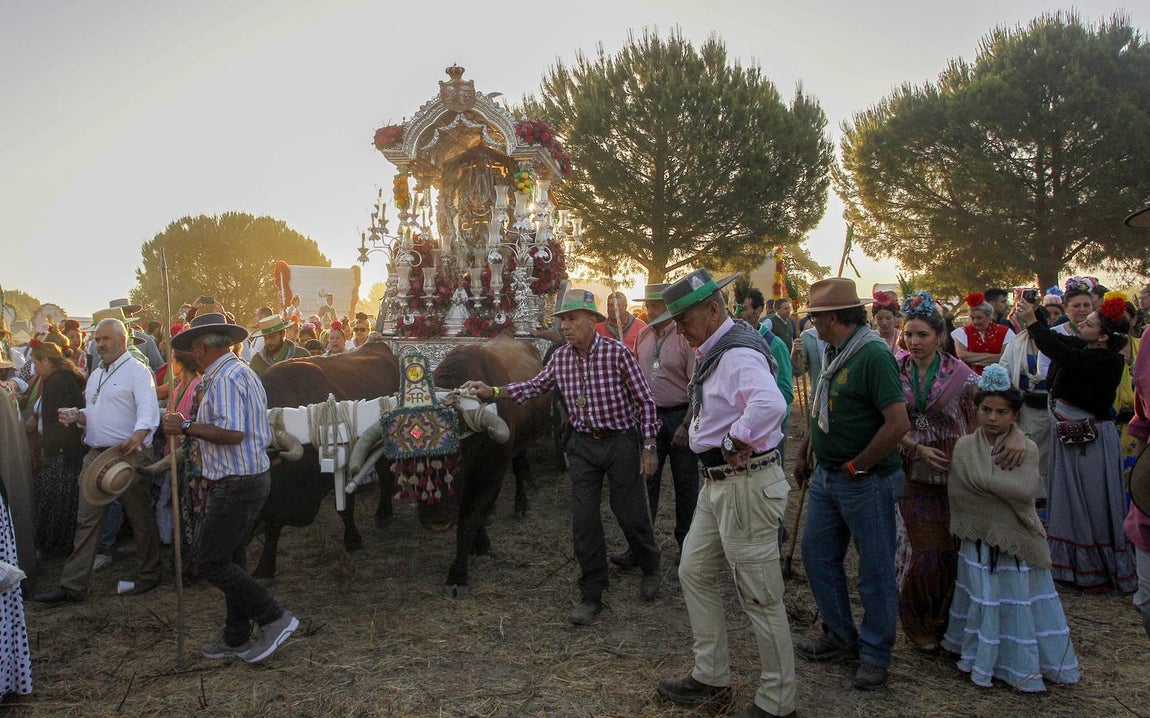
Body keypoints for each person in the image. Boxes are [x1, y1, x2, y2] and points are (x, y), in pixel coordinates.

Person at [460, 288, 661, 626]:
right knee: (584, 520)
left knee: (628, 511)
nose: (565, 326)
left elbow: (645, 401)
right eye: (562, 320)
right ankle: (592, 591)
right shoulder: (560, 358)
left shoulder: (617, 354)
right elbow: (535, 387)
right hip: (582, 446)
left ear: (592, 321)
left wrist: (649, 446)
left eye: (572, 319)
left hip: (620, 443)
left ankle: (650, 564)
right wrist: (492, 391)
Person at [653, 270, 796, 718]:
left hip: (745, 482)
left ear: (712, 310)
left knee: (759, 595)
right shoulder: (721, 348)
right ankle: (711, 675)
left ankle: (777, 702)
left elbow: (771, 404)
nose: (679, 329)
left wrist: (736, 438)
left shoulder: (734, 354)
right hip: (720, 485)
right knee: (694, 570)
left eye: (684, 320)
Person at [793, 277, 909, 691]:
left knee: (874, 569)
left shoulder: (873, 355)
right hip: (828, 474)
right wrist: (808, 446)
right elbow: (826, 404)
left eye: (817, 317)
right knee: (817, 555)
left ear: (835, 317)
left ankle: (876, 653)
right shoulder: (833, 349)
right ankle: (840, 635)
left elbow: (898, 423)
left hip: (866, 480)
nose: (812, 323)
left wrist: (859, 466)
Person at [162, 312, 298, 663]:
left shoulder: (224, 379)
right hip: (244, 479)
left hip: (237, 483)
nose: (192, 355)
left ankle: (273, 617)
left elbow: (233, 433)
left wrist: (186, 426)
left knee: (210, 561)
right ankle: (236, 635)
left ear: (204, 347)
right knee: (231, 558)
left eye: (194, 348)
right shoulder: (237, 372)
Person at [942, 364, 1081, 690]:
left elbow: (1023, 490)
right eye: (986, 410)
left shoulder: (1026, 448)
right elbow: (959, 491)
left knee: (1012, 600)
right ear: (976, 410)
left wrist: (989, 482)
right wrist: (994, 483)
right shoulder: (964, 447)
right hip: (977, 541)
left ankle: (1015, 664)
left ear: (1014, 416)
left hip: (1012, 544)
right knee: (984, 597)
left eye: (1001, 412)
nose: (992, 418)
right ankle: (981, 657)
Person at [31, 317, 163, 604]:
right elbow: (97, 410)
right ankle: (73, 586)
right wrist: (79, 415)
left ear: (122, 339)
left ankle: (150, 574)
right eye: (98, 339)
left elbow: (148, 413)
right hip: (97, 453)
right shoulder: (96, 373)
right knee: (86, 520)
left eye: (106, 339)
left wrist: (138, 437)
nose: (99, 344)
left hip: (128, 453)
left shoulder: (138, 372)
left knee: (139, 515)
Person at [1015, 293, 1138, 593]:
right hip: (1073, 436)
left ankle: (1091, 567)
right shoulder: (1085, 347)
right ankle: (1075, 565)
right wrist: (1037, 317)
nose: (1082, 323)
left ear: (1104, 337)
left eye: (1090, 322)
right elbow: (1059, 344)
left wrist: (1032, 322)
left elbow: (1062, 352)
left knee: (1088, 500)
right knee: (1072, 497)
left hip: (1087, 441)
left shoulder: (1106, 360)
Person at [893, 292, 980, 653]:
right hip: (911, 473)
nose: (914, 342)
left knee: (949, 551)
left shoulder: (964, 377)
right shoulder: (893, 370)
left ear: (939, 336)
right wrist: (915, 446)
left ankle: (942, 621)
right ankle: (914, 621)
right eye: (909, 334)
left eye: (922, 335)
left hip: (954, 476)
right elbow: (883, 420)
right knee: (922, 551)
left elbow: (986, 417)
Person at [621, 283, 698, 561]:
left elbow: (697, 387)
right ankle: (641, 546)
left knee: (686, 484)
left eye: (654, 306)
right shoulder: (642, 335)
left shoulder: (684, 338)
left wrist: (686, 425)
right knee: (645, 481)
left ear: (668, 308)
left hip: (679, 415)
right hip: (648, 417)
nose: (648, 310)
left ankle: (687, 547)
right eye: (648, 305)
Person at [28, 342, 86, 553]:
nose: (35, 368)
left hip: (62, 451)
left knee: (58, 501)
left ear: (45, 361)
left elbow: (58, 423)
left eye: (36, 363)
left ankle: (58, 544)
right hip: (64, 449)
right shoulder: (59, 379)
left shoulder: (57, 383)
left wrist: (46, 447)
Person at [952, 293, 1014, 375]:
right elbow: (962, 355)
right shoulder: (962, 332)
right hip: (969, 380)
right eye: (972, 318)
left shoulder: (1005, 332)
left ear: (989, 317)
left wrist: (974, 359)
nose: (975, 322)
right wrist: (994, 358)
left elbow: (1005, 357)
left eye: (979, 318)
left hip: (998, 380)